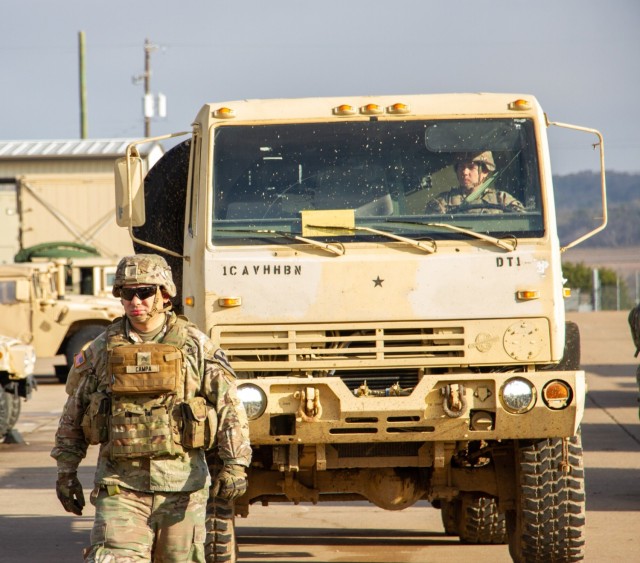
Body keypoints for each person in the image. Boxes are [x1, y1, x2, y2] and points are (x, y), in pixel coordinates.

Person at [51, 254, 251, 562]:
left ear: (165, 293)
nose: (135, 300)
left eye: (144, 292)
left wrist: (235, 464)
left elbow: (229, 407)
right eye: (126, 293)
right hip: (121, 490)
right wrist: (66, 472)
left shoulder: (196, 347)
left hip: (183, 488)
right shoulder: (101, 350)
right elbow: (73, 413)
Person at [425, 150, 525, 214]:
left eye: (471, 167)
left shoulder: (502, 200)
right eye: (461, 167)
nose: (465, 172)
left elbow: (522, 224)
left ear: (485, 171)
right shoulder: (442, 202)